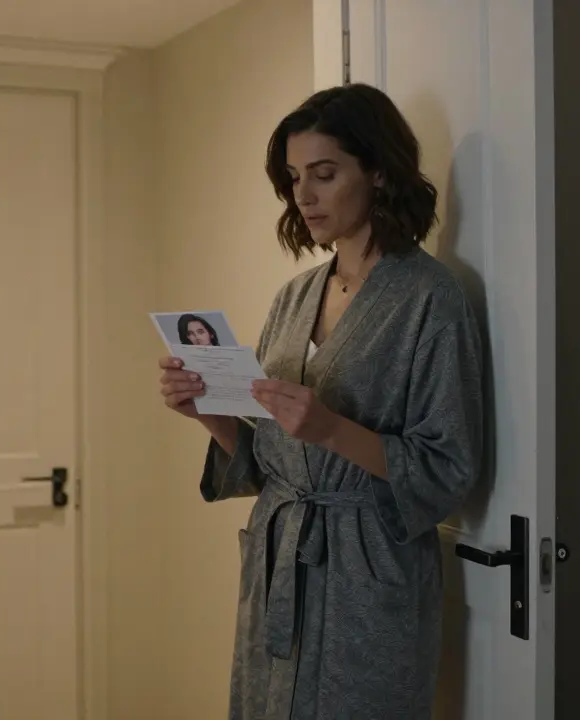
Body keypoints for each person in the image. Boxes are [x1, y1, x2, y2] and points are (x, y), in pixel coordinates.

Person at [157, 83, 485, 719]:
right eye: (293, 177)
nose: (303, 195)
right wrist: (210, 413)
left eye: (324, 174)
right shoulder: (294, 295)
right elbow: (266, 460)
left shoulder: (429, 299)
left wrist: (334, 430)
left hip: (368, 570)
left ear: (380, 171)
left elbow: (449, 468)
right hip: (279, 562)